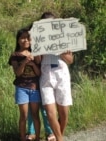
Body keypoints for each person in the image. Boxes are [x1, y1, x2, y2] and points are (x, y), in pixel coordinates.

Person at [38, 12, 74, 141]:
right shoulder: (38, 38)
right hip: (46, 73)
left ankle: (59, 136)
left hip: (61, 73)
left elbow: (70, 60)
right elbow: (37, 60)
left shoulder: (63, 38)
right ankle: (60, 139)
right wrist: (38, 49)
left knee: (64, 113)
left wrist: (60, 49)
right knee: (50, 112)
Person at [8, 27, 41, 141]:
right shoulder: (15, 55)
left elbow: (39, 73)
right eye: (22, 38)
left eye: (28, 38)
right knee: (24, 116)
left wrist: (33, 64)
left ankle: (37, 138)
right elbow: (17, 73)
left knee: (36, 115)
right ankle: (22, 138)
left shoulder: (35, 54)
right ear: (18, 40)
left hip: (35, 88)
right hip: (21, 88)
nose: (25, 40)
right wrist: (25, 62)